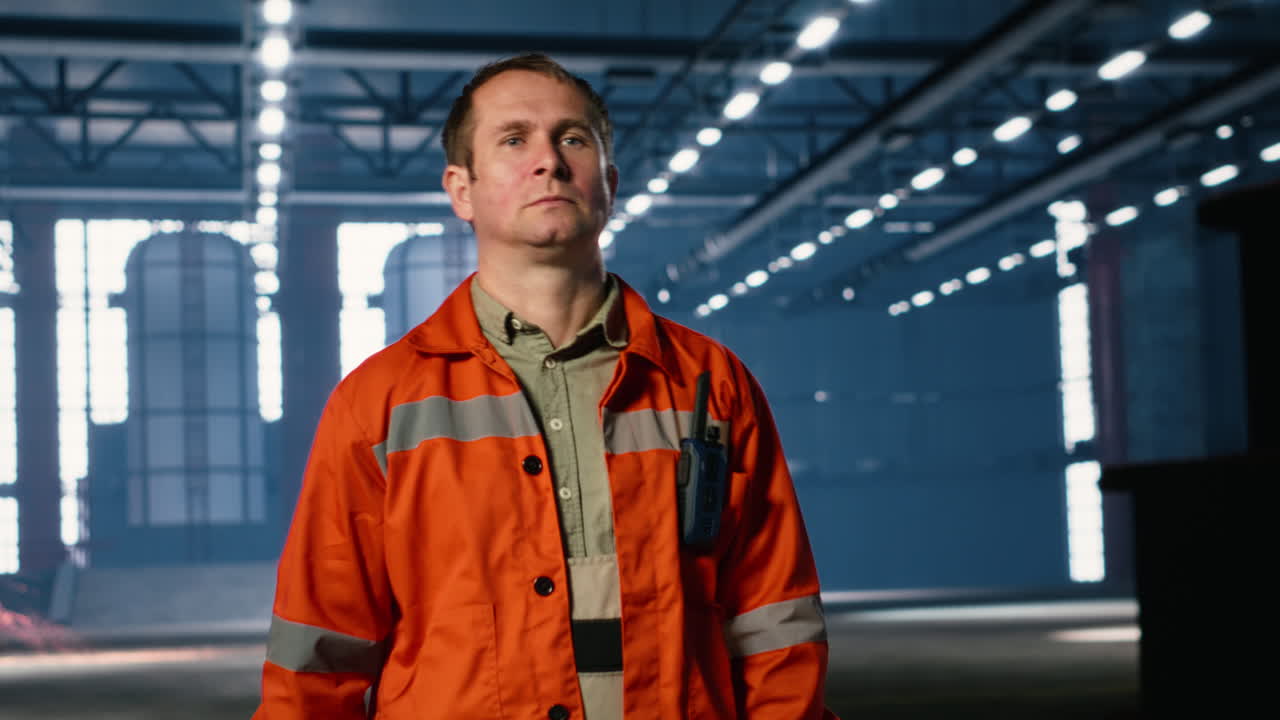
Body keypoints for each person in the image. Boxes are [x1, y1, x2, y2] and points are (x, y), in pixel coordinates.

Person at [255, 53, 837, 720]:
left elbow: (776, 623)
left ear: (609, 182)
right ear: (461, 189)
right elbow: (320, 648)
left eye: (572, 138)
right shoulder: (380, 404)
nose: (549, 162)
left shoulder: (710, 385)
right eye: (513, 139)